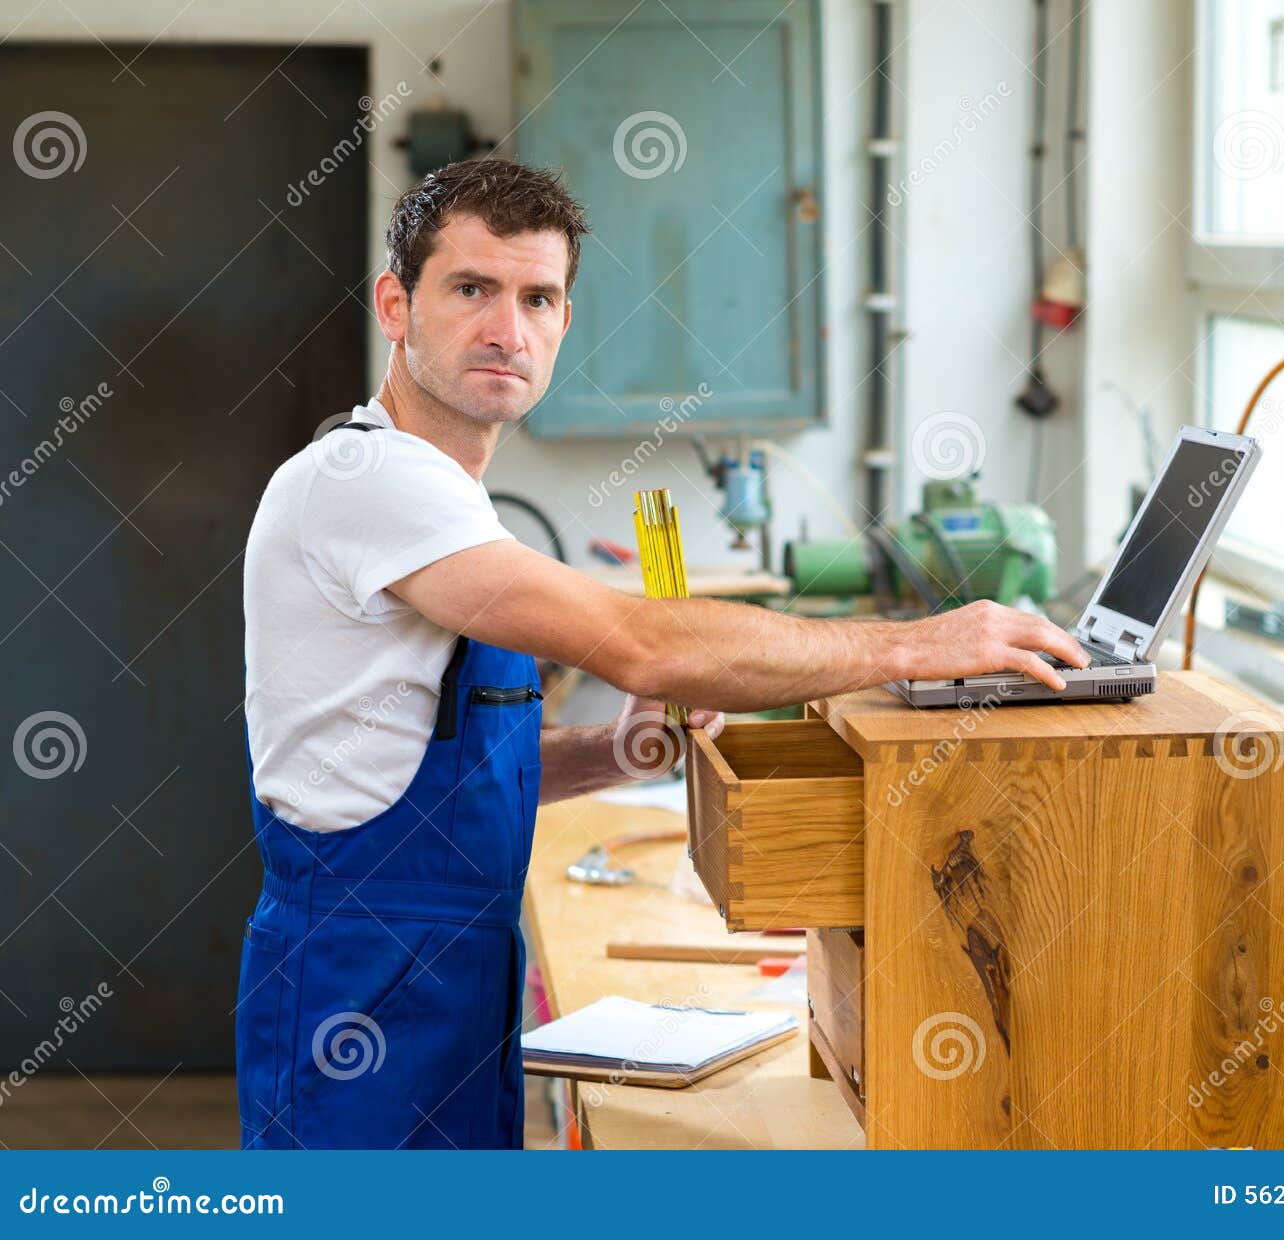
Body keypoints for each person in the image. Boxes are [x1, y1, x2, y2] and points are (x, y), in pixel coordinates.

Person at [237, 158, 1087, 1149]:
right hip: (361, 987)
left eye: (537, 297)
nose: (506, 329)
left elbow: (410, 765)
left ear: (562, 320)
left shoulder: (447, 501)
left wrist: (614, 755)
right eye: (470, 289)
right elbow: (637, 642)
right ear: (397, 304)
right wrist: (922, 642)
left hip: (449, 980)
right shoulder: (366, 478)